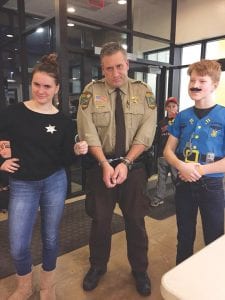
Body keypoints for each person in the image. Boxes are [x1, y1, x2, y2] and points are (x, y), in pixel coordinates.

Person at [0, 53, 88, 300]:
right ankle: (24, 287)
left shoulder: (64, 121)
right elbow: (1, 141)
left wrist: (75, 151)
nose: (41, 90)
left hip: (54, 182)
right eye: (37, 84)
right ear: (31, 83)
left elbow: (65, 160)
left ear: (57, 88)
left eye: (47, 86)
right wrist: (1, 162)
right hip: (22, 184)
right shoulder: (12, 113)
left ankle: (48, 286)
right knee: (18, 245)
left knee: (50, 238)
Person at [77, 41, 156, 296]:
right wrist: (103, 164)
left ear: (127, 64)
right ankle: (97, 267)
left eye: (119, 66)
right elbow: (87, 132)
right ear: (102, 68)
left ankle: (140, 270)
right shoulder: (90, 92)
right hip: (101, 166)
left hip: (133, 168)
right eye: (108, 68)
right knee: (100, 221)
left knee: (135, 221)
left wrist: (126, 162)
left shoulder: (144, 92)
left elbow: (147, 131)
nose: (115, 73)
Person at [164, 59, 225, 264]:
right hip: (184, 183)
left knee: (214, 237)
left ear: (214, 85)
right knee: (184, 236)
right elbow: (168, 151)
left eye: (202, 80)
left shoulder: (224, 116)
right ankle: (180, 282)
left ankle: (211, 286)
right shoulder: (182, 117)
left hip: (212, 186)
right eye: (192, 80)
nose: (195, 84)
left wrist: (199, 170)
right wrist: (182, 166)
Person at [149, 97, 178, 207]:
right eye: (169, 107)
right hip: (162, 156)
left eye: (174, 106)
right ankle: (159, 197)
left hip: (175, 157)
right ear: (166, 108)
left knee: (176, 179)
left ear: (177, 107)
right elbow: (156, 139)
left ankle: (179, 198)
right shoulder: (162, 123)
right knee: (161, 178)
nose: (171, 109)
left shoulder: (181, 121)